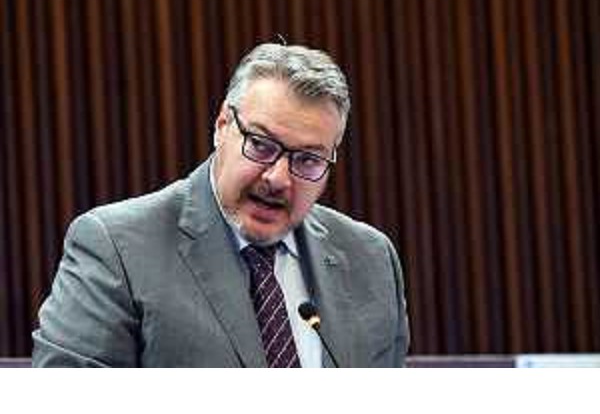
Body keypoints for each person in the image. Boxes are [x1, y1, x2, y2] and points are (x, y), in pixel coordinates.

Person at [32, 42, 409, 367]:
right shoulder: (117, 247)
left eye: (308, 160)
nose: (278, 178)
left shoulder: (371, 259)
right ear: (222, 126)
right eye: (260, 144)